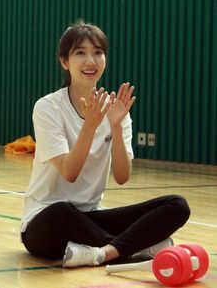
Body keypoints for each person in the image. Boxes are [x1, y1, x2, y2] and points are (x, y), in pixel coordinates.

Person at [20, 20, 190, 267]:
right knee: (62, 212)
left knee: (177, 205)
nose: (91, 61)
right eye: (80, 53)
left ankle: (103, 253)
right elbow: (69, 172)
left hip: (91, 218)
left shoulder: (117, 110)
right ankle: (133, 248)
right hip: (45, 222)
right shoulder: (47, 107)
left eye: (98, 53)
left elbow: (122, 176)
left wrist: (116, 127)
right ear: (64, 62)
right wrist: (90, 125)